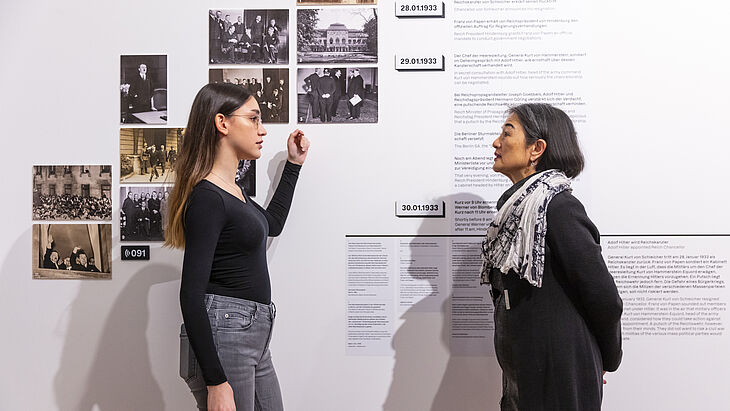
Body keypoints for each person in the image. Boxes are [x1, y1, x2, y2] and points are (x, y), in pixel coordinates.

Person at [165, 82, 309, 411]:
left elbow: (272, 224)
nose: (262, 130)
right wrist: (216, 382)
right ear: (223, 123)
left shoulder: (233, 191)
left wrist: (294, 164)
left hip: (254, 334)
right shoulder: (208, 198)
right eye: (254, 119)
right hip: (229, 331)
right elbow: (190, 293)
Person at [480, 103, 623, 410]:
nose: (496, 143)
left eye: (507, 133)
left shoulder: (558, 209)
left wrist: (607, 359)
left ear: (537, 149)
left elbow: (604, 297)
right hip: (527, 370)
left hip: (557, 376)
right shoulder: (517, 212)